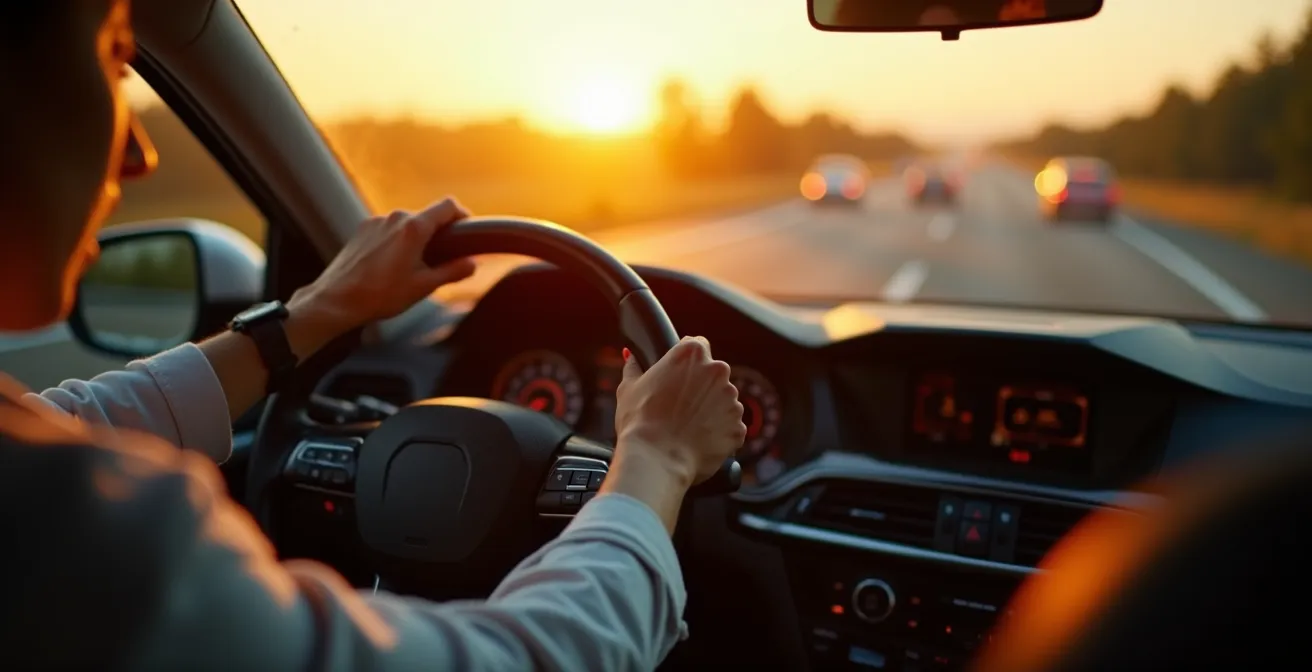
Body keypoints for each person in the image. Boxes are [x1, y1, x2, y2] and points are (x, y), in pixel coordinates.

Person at [0, 1, 747, 670]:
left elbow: (62, 424)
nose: (140, 153)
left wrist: (310, 316)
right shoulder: (82, 535)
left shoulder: (37, 489)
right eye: (114, 54)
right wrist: (656, 458)